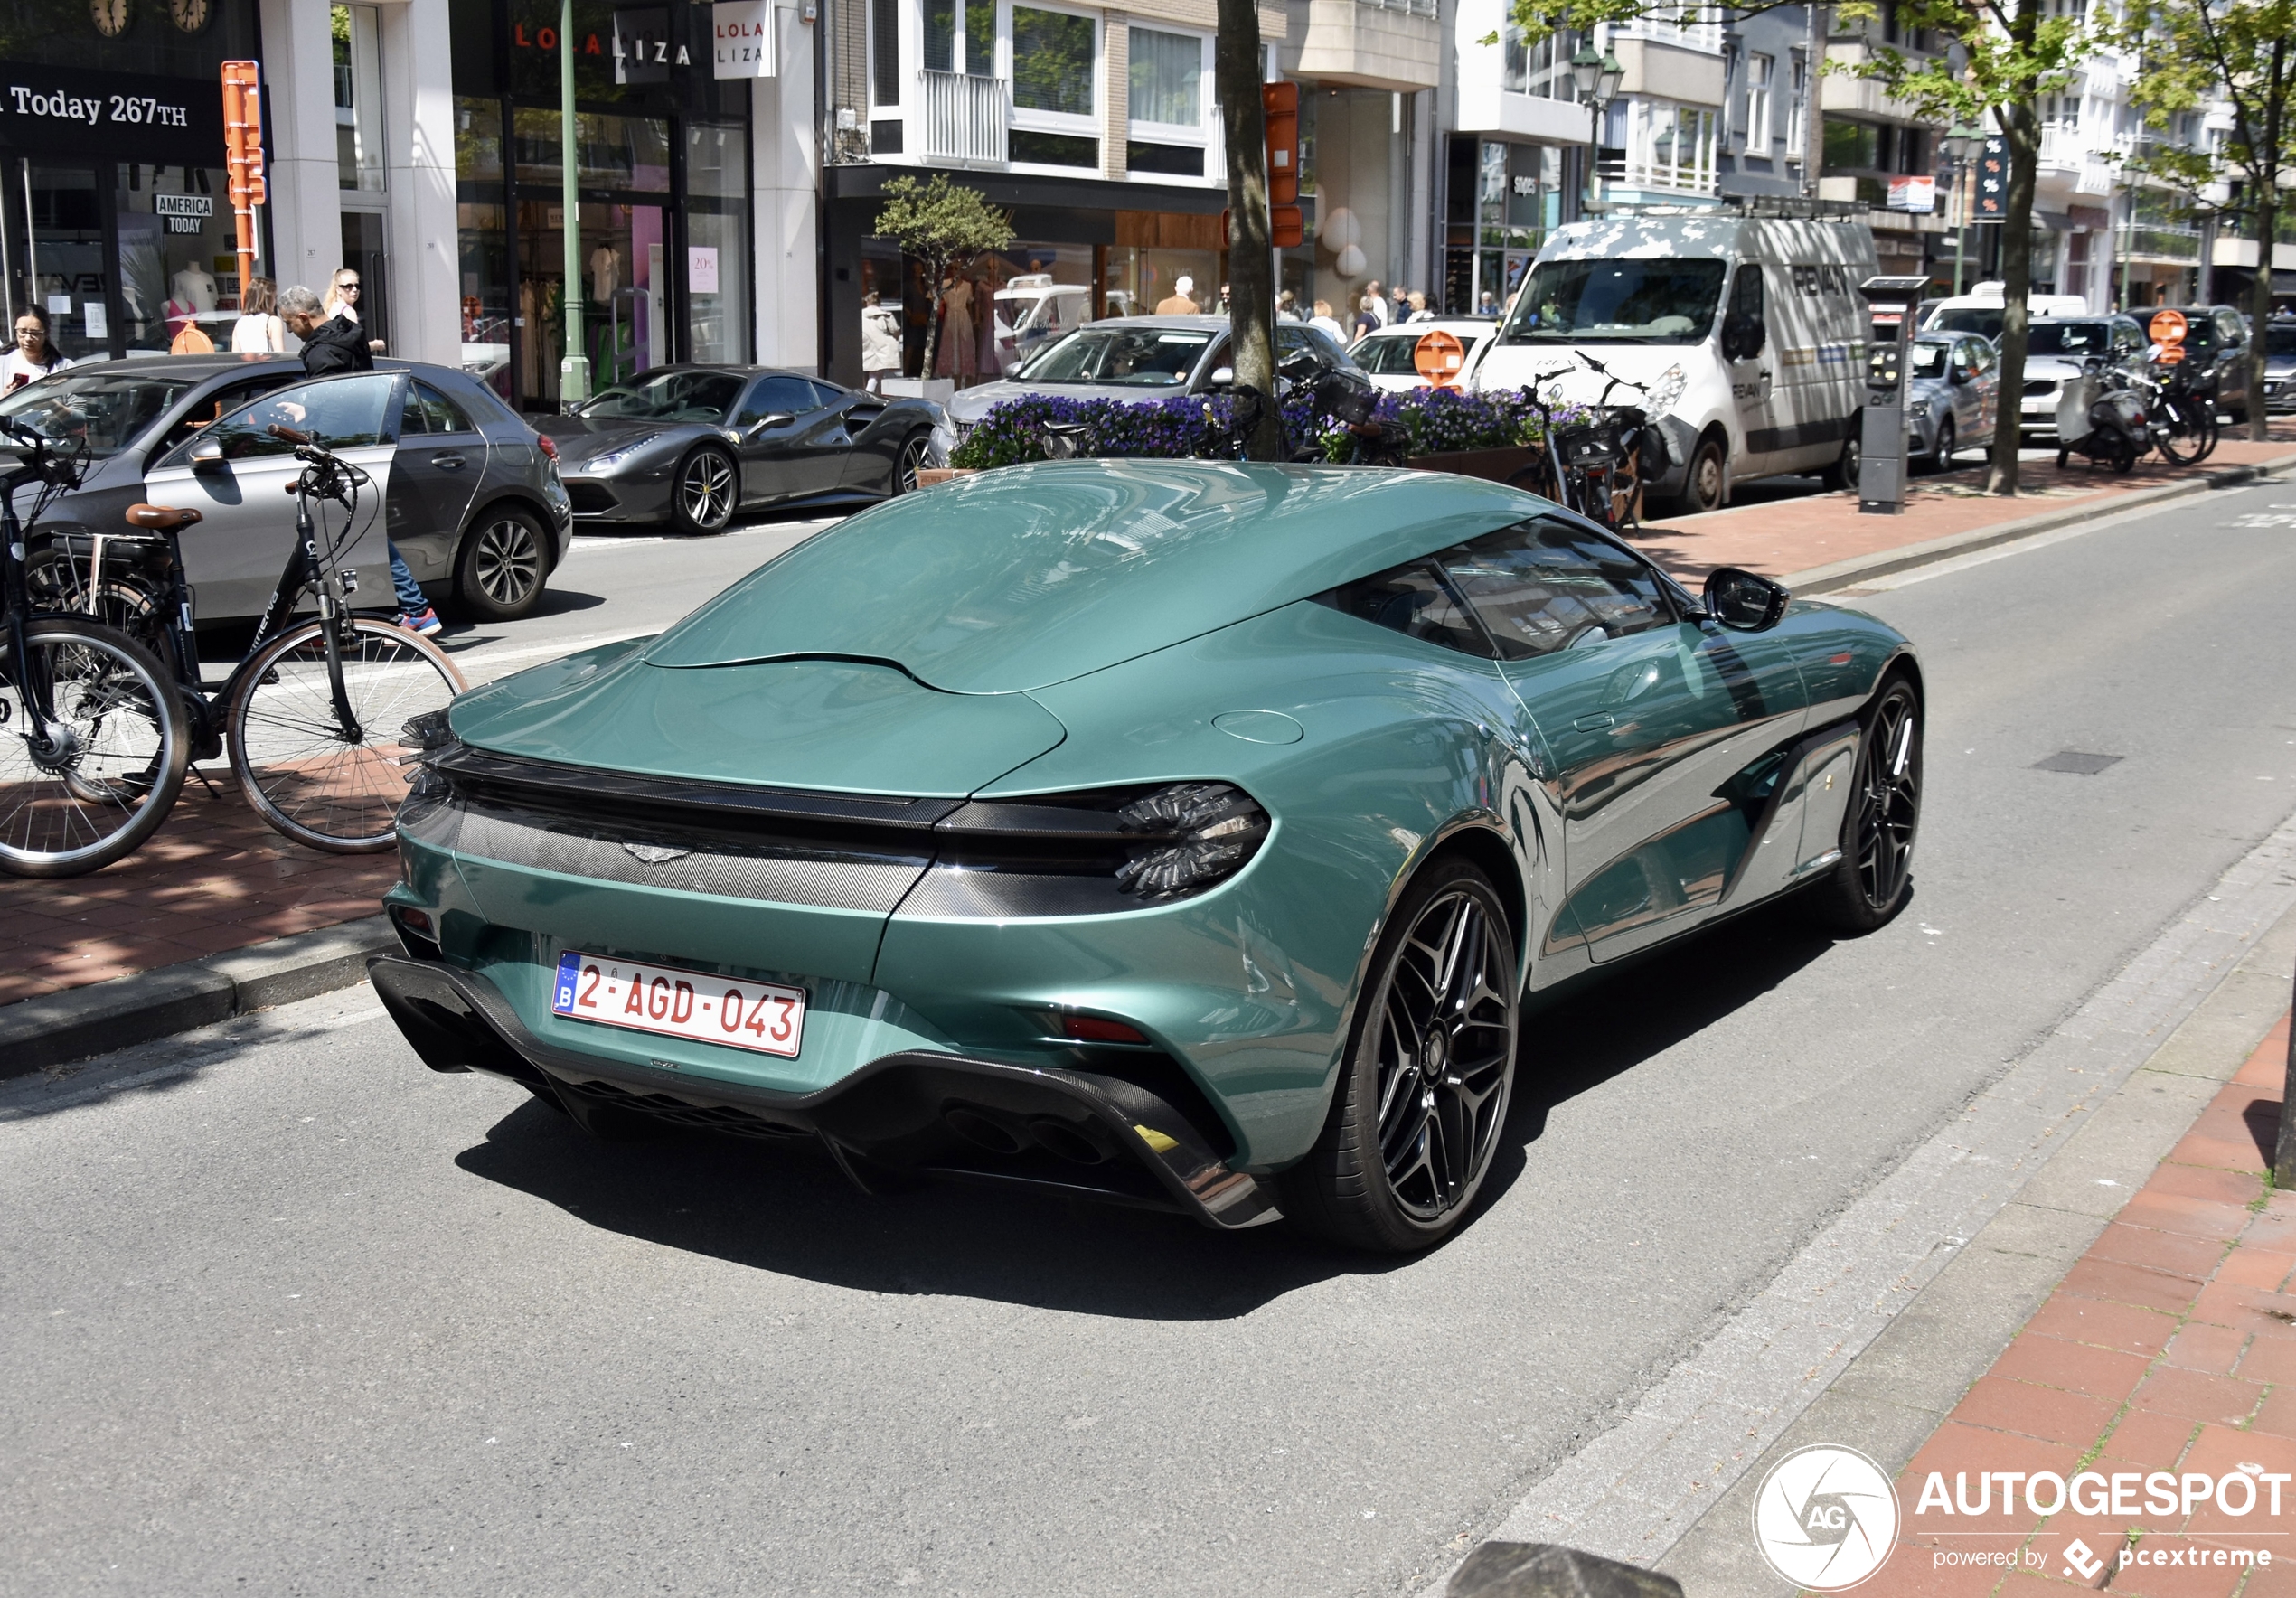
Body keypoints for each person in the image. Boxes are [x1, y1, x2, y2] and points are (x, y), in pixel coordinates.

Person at [278, 284, 438, 636]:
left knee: (358, 531)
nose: (291, 332)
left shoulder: (322, 355)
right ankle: (340, 620)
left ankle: (414, 609)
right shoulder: (349, 338)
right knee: (354, 531)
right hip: (363, 445)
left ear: (304, 317)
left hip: (340, 451)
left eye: (291, 324)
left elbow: (335, 406)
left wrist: (307, 415)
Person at [2, 306, 71, 391]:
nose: (28, 338)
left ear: (46, 333)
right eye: (22, 331)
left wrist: (53, 404)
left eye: (34, 333)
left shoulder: (65, 368)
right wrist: (4, 399)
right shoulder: (3, 364)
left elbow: (78, 404)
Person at [322, 268, 386, 355]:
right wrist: (374, 345)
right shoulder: (348, 311)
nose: (355, 290)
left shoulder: (332, 307)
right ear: (338, 290)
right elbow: (355, 346)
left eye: (357, 286)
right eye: (348, 286)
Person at [231, 277, 287, 352]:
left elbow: (236, 354)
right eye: (274, 297)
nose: (275, 302)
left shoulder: (240, 323)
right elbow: (280, 353)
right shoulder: (273, 321)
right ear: (267, 299)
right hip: (267, 363)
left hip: (249, 364)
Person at [861, 291, 901, 392]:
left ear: (867, 302)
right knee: (876, 374)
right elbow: (895, 330)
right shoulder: (886, 315)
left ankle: (872, 396)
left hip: (865, 344)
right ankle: (869, 396)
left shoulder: (860, 315)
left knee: (867, 372)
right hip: (882, 347)